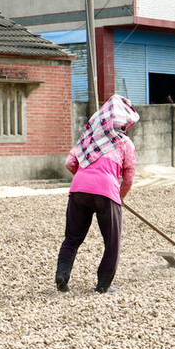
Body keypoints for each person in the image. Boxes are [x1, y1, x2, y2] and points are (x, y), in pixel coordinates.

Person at [55, 95, 139, 294]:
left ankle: (62, 275)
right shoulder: (124, 143)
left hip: (78, 190)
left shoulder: (88, 139)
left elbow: (70, 163)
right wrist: (120, 196)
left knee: (72, 238)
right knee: (112, 242)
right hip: (106, 192)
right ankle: (102, 286)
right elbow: (129, 175)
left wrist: (85, 179)